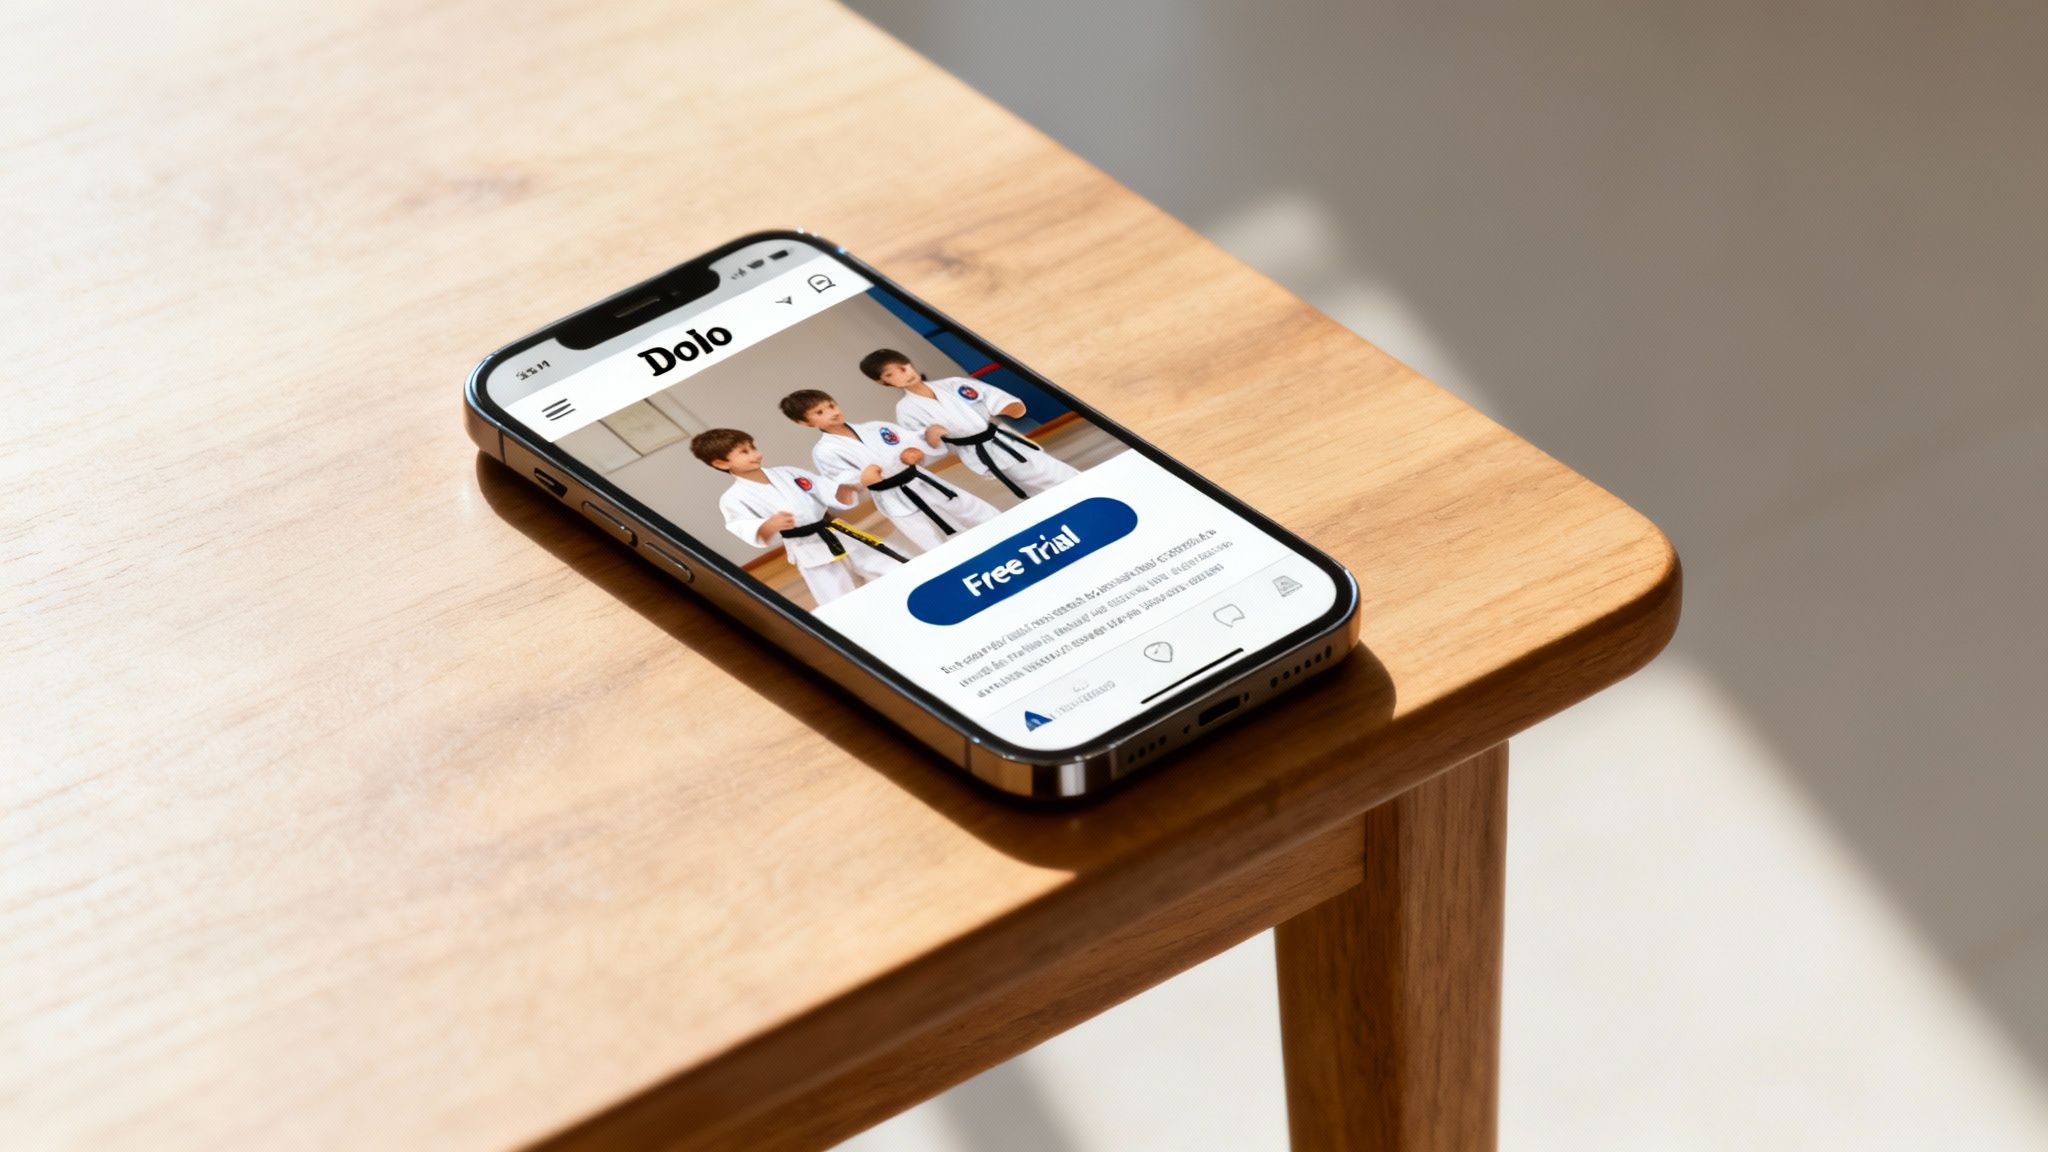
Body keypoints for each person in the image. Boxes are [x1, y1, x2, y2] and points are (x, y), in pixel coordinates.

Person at [691, 428, 904, 606]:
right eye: (744, 452)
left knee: (888, 566)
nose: (755, 454)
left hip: (837, 532)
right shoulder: (734, 498)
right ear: (721, 464)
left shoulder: (789, 473)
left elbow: (826, 490)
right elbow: (742, 525)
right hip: (808, 549)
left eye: (753, 447)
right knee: (839, 597)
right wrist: (769, 525)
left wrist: (855, 484)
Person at [780, 388, 1001, 553]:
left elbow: (912, 441)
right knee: (929, 539)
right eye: (820, 412)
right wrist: (861, 479)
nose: (833, 413)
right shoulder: (825, 451)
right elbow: (841, 481)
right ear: (805, 422)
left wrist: (916, 449)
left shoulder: (875, 427)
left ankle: (1004, 531)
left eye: (831, 405)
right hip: (892, 497)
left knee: (972, 509)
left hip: (921, 479)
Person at [860, 349, 1079, 499]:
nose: (904, 374)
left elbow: (991, 397)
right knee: (1038, 487)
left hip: (1003, 439)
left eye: (903, 367)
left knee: (1058, 473)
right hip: (978, 453)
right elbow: (920, 446)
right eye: (892, 374)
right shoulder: (906, 409)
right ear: (884, 382)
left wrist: (1007, 406)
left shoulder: (953, 384)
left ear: (910, 364)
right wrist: (931, 437)